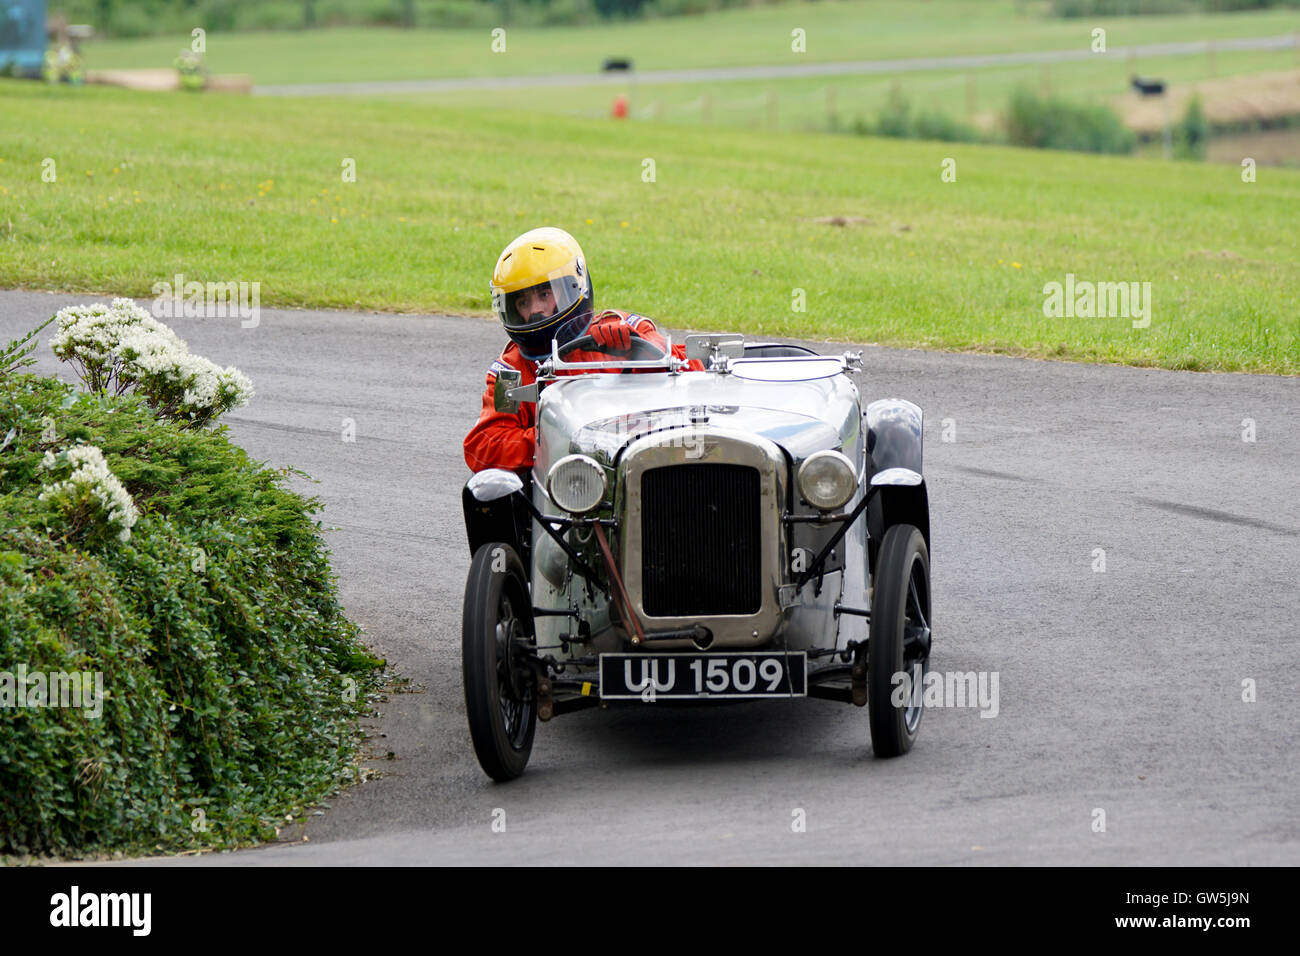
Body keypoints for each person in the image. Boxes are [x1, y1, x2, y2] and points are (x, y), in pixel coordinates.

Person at [464, 227, 700, 474]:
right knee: (489, 493)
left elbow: (695, 376)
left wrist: (642, 348)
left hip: (634, 471)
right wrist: (558, 439)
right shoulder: (511, 372)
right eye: (523, 302)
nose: (535, 310)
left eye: (544, 294)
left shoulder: (624, 330)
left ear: (575, 286)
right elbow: (483, 446)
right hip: (561, 489)